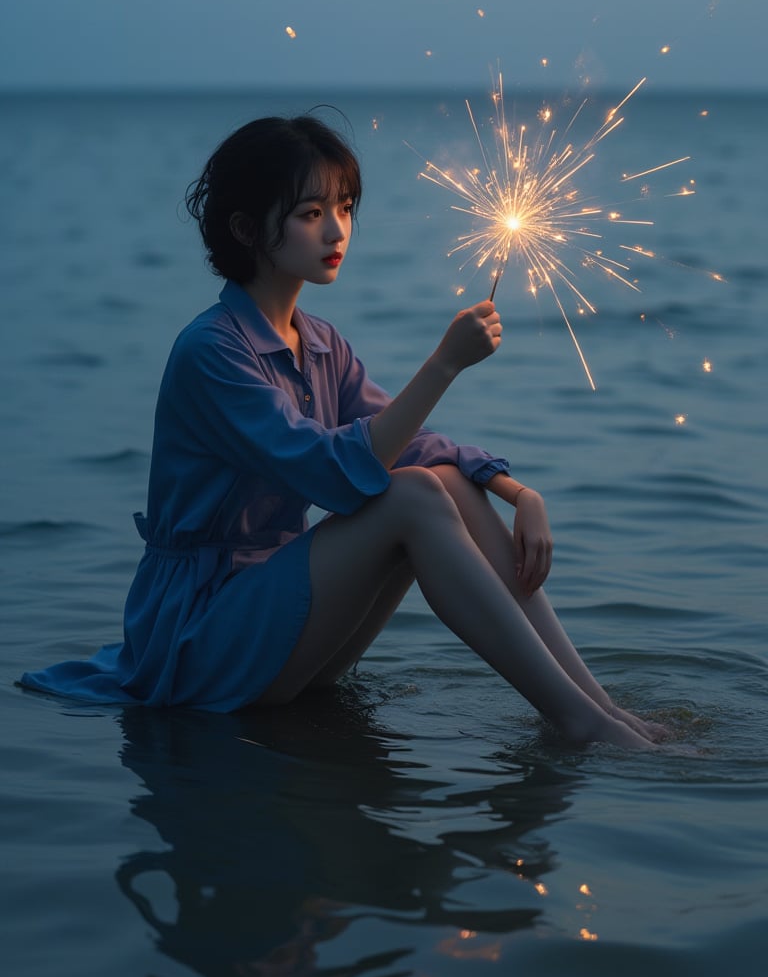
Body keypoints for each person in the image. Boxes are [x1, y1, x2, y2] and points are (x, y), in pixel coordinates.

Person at [21, 114, 663, 749]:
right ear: (247, 229)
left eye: (346, 208)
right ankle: (584, 726)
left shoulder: (322, 343)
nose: (337, 231)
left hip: (278, 620)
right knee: (412, 495)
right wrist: (443, 365)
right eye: (309, 214)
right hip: (199, 637)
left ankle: (595, 707)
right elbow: (330, 472)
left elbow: (408, 443)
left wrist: (518, 492)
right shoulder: (212, 352)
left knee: (439, 479)